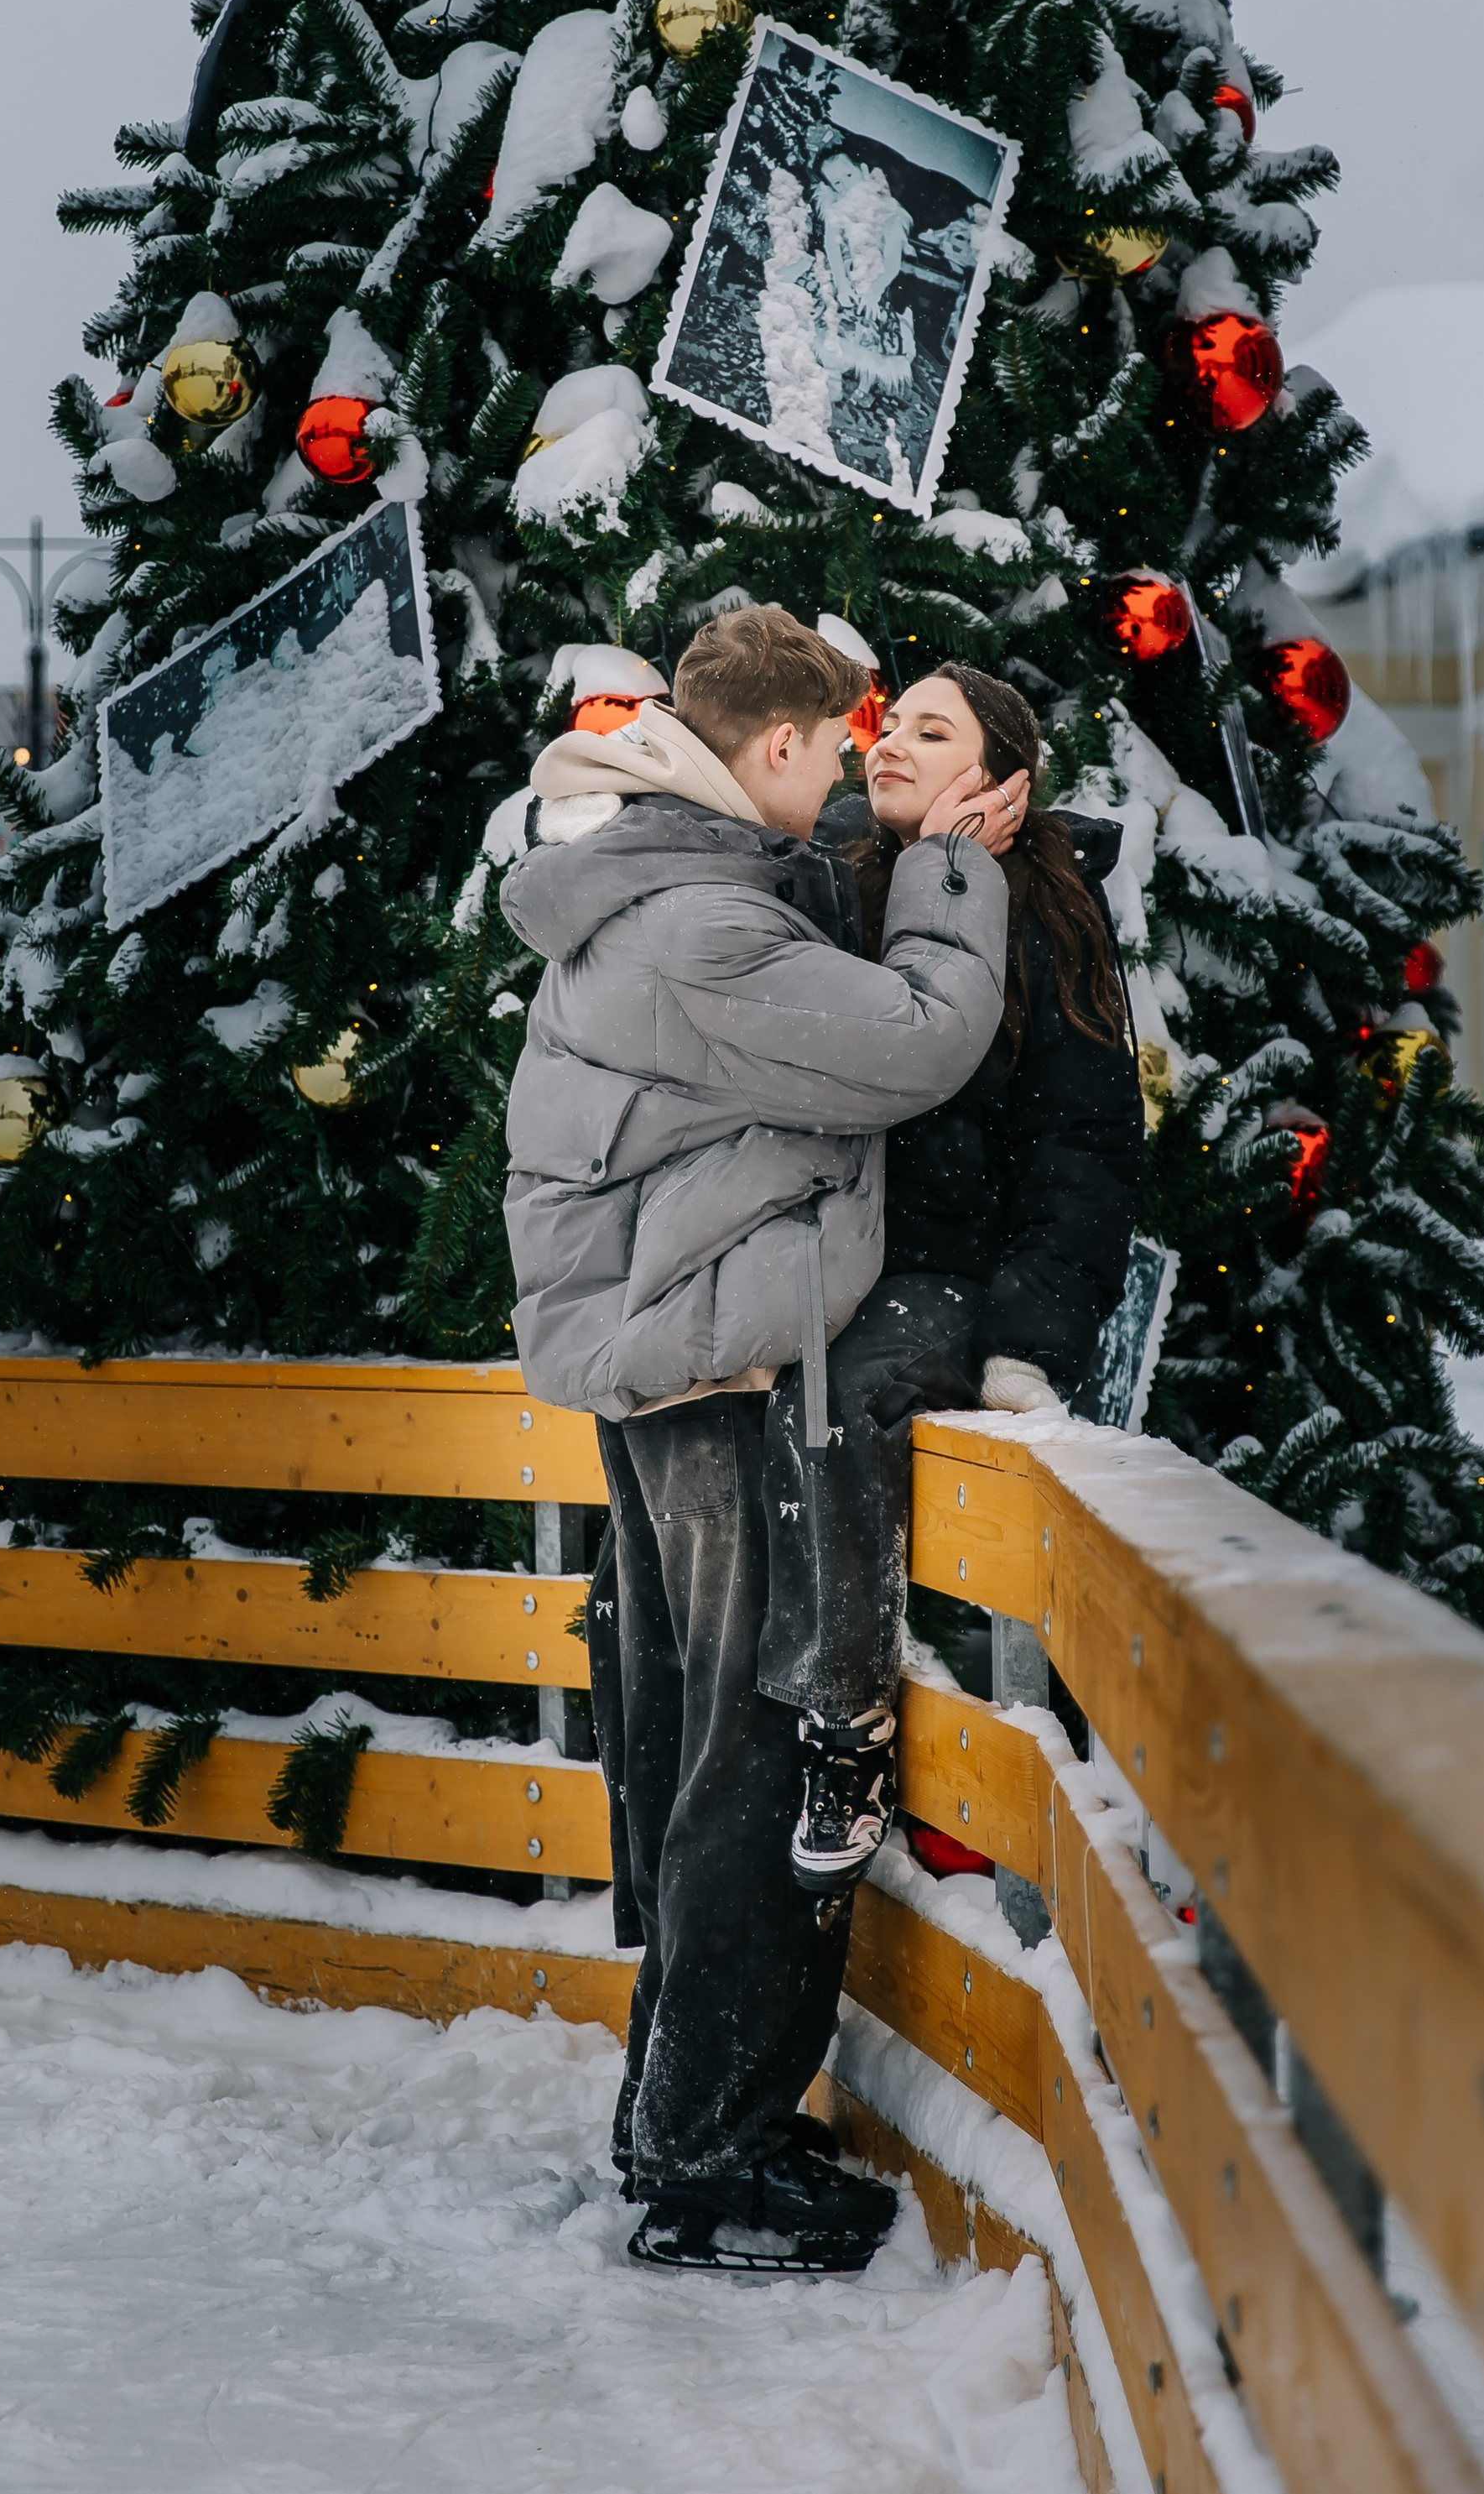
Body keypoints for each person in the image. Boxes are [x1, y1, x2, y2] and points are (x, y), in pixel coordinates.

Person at [499, 605, 1025, 2271]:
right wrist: (946, 868)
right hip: (719, 1368)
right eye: (840, 749)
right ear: (778, 752)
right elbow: (912, 1041)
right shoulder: (699, 928)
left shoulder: (661, 886)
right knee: (744, 1752)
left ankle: (674, 2122)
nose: (858, 770)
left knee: (684, 1741)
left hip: (677, 1361)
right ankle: (711, 2153)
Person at [759, 661, 1145, 1894]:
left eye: (935, 731)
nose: (892, 747)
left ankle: (845, 1734)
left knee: (833, 1398)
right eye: (890, 727)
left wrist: (1028, 1336)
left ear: (1006, 782)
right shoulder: (828, 889)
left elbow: (1083, 1151)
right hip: (825, 1257)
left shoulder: (1053, 920)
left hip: (949, 1279)